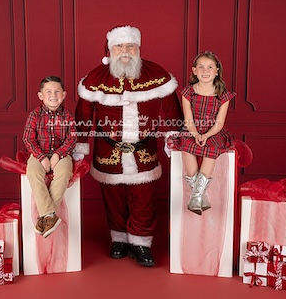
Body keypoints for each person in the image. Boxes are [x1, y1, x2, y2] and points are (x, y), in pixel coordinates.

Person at [74, 25, 182, 267]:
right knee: (112, 196)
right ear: (110, 50)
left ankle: (141, 244)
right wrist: (81, 145)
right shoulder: (95, 78)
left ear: (138, 48)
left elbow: (172, 109)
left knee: (143, 198)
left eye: (130, 46)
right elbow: (82, 114)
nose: (125, 51)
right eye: (119, 46)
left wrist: (173, 138)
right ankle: (119, 240)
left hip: (144, 149)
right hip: (107, 149)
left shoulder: (156, 74)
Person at [174, 51, 235, 214]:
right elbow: (188, 119)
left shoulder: (223, 95)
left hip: (213, 131)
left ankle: (196, 196)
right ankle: (200, 196)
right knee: (186, 146)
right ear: (194, 71)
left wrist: (206, 135)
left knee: (211, 149)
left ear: (216, 71)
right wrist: (195, 134)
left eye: (209, 67)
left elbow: (220, 122)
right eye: (201, 67)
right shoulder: (188, 92)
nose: (205, 71)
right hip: (192, 128)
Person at [23, 76, 76, 238]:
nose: (53, 95)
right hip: (39, 153)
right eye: (48, 92)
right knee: (32, 173)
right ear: (41, 96)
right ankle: (50, 215)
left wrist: (58, 155)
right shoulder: (35, 115)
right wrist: (41, 157)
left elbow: (72, 138)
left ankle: (45, 216)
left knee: (64, 173)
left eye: (57, 91)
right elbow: (28, 138)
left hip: (62, 154)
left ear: (64, 95)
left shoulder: (67, 116)